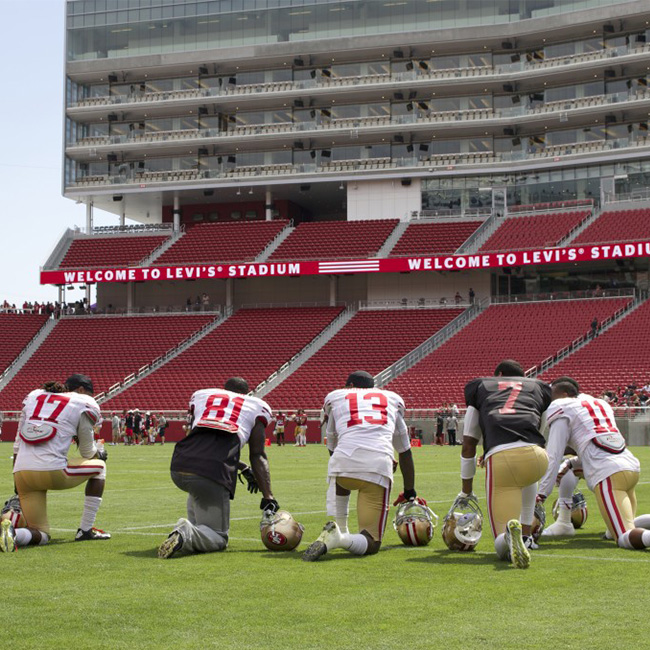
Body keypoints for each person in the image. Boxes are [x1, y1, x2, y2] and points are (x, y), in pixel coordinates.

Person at [303, 370, 418, 561]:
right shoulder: (392, 399)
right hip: (378, 465)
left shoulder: (336, 397)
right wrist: (409, 491)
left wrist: (342, 463)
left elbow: (332, 444)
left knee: (341, 463)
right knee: (371, 542)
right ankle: (340, 539)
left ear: (349, 386)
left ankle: (340, 528)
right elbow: (405, 451)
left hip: (342, 465)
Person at [157, 377, 279, 559]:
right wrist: (268, 496)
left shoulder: (203, 396)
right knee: (218, 538)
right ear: (247, 394)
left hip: (180, 463)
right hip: (210, 472)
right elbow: (257, 454)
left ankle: (191, 528)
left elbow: (202, 441)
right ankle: (185, 532)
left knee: (198, 489)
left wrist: (242, 467)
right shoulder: (255, 406)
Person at [537, 377, 650, 551]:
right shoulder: (598, 403)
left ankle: (564, 522)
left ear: (563, 395)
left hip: (610, 475)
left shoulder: (560, 407)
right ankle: (563, 522)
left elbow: (553, 455)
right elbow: (595, 440)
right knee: (619, 527)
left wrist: (542, 494)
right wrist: (572, 463)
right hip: (629, 467)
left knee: (624, 537)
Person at [1, 374, 110, 552]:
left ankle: (12, 533)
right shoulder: (82, 402)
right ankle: (85, 530)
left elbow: (17, 446)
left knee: (41, 534)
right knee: (100, 467)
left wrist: (17, 482)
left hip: (22, 473)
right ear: (82, 391)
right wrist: (100, 453)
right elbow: (87, 452)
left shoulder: (34, 397)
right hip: (52, 472)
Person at [459, 359, 551, 569]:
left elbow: (468, 444)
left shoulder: (481, 387)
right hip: (537, 456)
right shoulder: (538, 388)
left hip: (503, 457)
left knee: (501, 542)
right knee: (527, 477)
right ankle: (526, 536)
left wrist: (466, 491)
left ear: (498, 375)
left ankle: (509, 536)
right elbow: (540, 431)